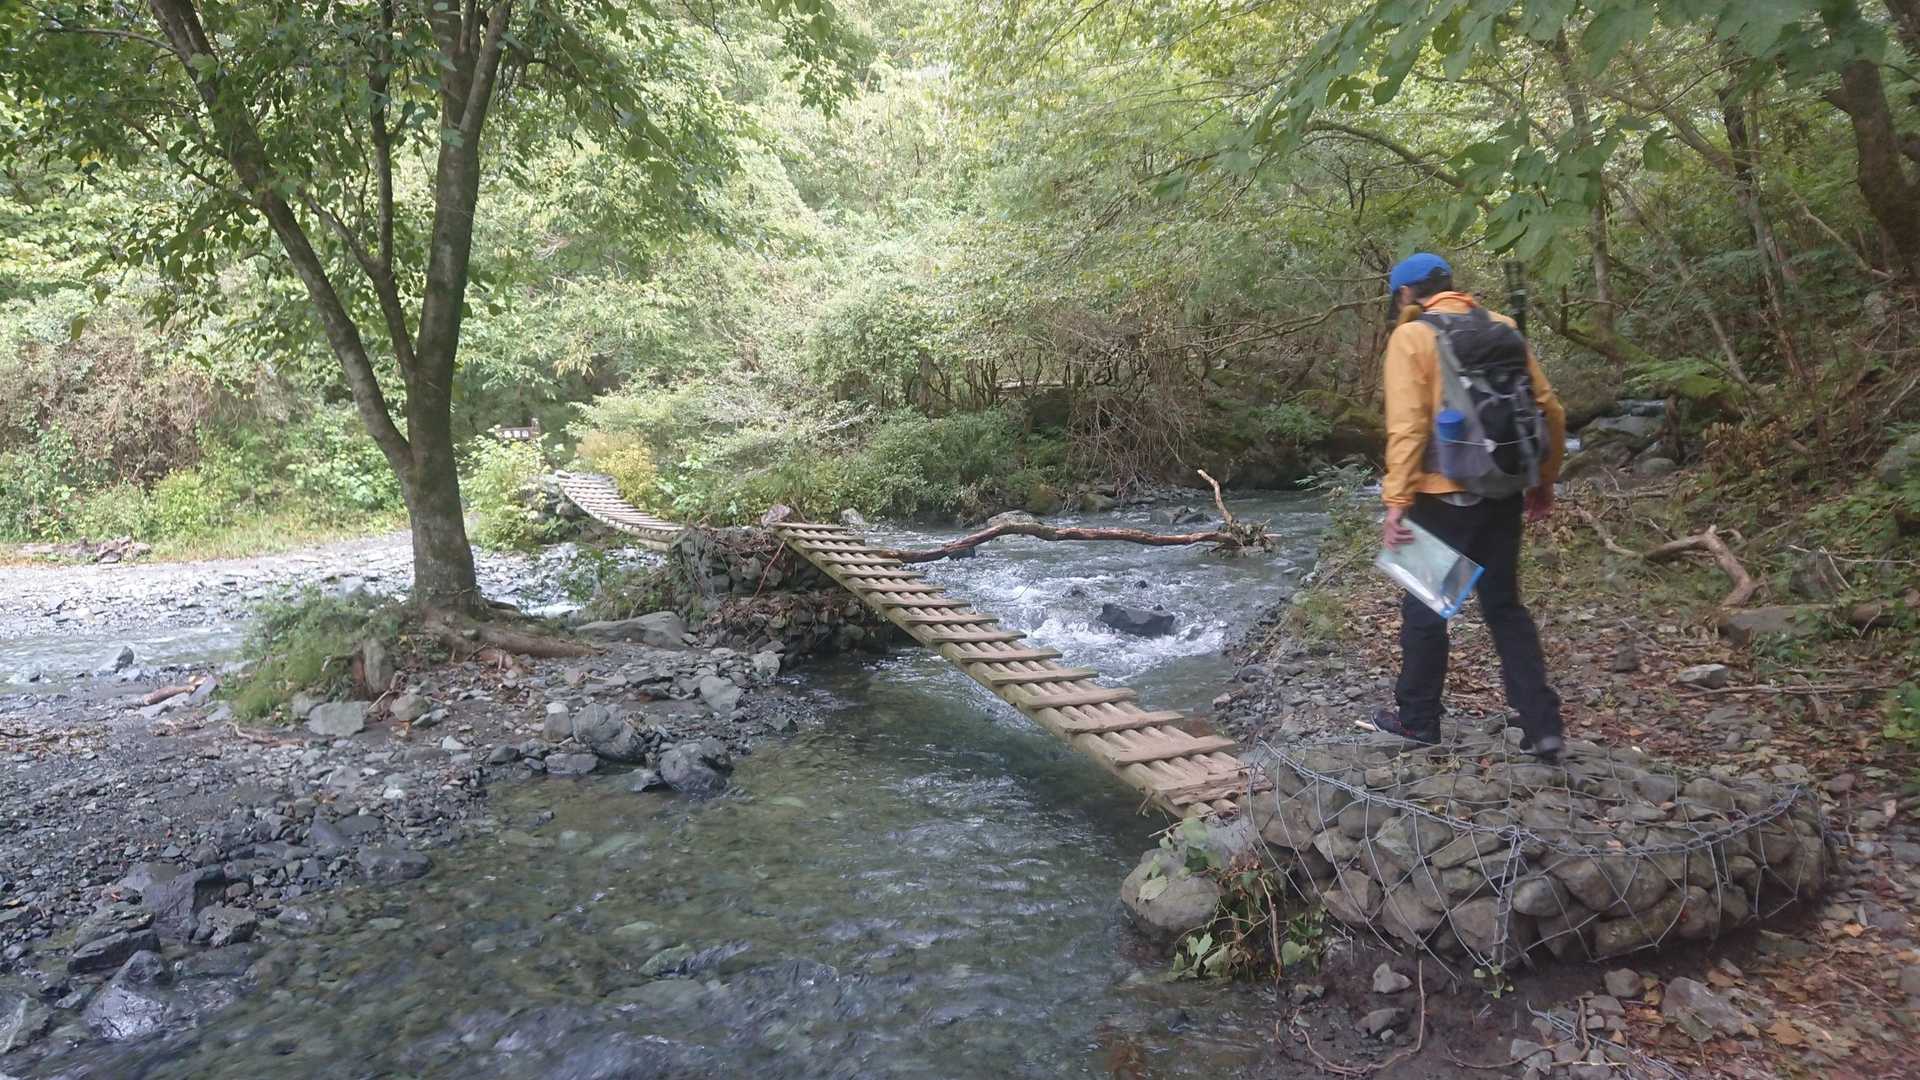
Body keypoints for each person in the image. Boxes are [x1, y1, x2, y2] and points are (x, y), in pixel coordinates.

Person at [1371, 253, 1567, 758]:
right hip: (1503, 489)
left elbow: (1408, 427)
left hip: (1440, 495)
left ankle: (1418, 721)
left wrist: (1396, 501)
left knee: (1426, 607)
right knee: (1504, 608)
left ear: (1406, 294)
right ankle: (1542, 725)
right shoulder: (1502, 327)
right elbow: (1548, 407)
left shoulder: (1411, 337)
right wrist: (1544, 479)